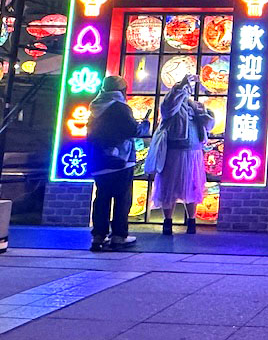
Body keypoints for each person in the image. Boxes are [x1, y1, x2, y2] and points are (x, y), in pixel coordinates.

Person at [87, 75, 148, 252]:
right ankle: (118, 236)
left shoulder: (95, 107)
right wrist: (144, 125)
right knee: (122, 199)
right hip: (121, 160)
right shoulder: (120, 107)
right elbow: (132, 130)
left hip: (100, 160)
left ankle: (98, 236)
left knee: (102, 198)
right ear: (122, 90)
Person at [152, 74, 214, 235]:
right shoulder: (169, 106)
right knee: (169, 187)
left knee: (193, 186)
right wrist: (180, 86)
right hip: (174, 152)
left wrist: (204, 114)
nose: (186, 91)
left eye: (187, 88)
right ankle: (167, 221)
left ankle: (191, 221)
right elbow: (170, 105)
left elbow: (209, 126)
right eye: (183, 88)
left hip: (194, 152)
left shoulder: (195, 106)